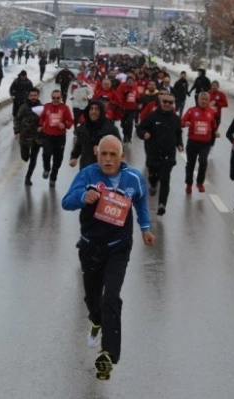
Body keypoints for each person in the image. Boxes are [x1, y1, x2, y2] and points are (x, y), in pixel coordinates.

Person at [61, 135, 155, 381]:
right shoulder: (88, 175)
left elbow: (141, 202)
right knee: (93, 300)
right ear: (97, 154)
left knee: (111, 297)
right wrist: (83, 197)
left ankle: (108, 354)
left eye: (113, 154)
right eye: (104, 154)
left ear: (122, 157)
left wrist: (145, 228)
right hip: (91, 247)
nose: (108, 159)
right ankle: (95, 321)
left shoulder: (132, 178)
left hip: (119, 247)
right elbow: (66, 202)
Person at [136, 93, 184, 216]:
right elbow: (140, 128)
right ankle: (153, 183)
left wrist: (179, 144)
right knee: (153, 176)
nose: (167, 104)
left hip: (168, 155)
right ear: (160, 102)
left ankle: (162, 204)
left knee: (165, 179)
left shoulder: (176, 118)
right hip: (154, 154)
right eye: (165, 102)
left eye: (170, 102)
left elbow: (178, 133)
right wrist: (144, 134)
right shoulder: (152, 117)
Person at [181, 92, 218, 194]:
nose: (204, 101)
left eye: (206, 99)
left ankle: (199, 183)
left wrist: (215, 132)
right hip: (193, 142)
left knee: (203, 162)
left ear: (208, 101)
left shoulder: (211, 111)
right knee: (190, 164)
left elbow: (213, 124)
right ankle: (189, 184)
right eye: (202, 99)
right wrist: (185, 124)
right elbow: (182, 122)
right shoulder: (191, 111)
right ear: (198, 100)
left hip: (205, 143)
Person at [69, 100, 121, 170]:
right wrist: (74, 157)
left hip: (105, 168)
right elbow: (79, 145)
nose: (93, 112)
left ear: (101, 112)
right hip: (86, 167)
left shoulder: (110, 129)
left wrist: (103, 148)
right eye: (91, 109)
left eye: (97, 109)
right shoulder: (83, 128)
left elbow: (120, 149)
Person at [38, 89, 74, 187]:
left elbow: (70, 121)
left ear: (61, 98)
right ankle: (46, 168)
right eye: (54, 98)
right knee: (46, 153)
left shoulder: (65, 108)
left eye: (58, 98)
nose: (56, 100)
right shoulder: (47, 106)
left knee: (58, 160)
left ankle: (53, 177)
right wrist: (41, 125)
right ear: (51, 97)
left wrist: (65, 124)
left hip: (60, 137)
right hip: (48, 136)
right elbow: (42, 117)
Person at [14, 88, 44, 186]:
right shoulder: (23, 107)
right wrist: (17, 131)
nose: (33, 97)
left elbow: (46, 121)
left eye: (35, 95)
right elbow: (17, 119)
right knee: (25, 157)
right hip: (25, 137)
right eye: (31, 96)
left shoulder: (42, 108)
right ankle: (25, 156)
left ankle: (28, 177)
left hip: (37, 138)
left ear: (38, 96)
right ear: (28, 96)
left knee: (33, 159)